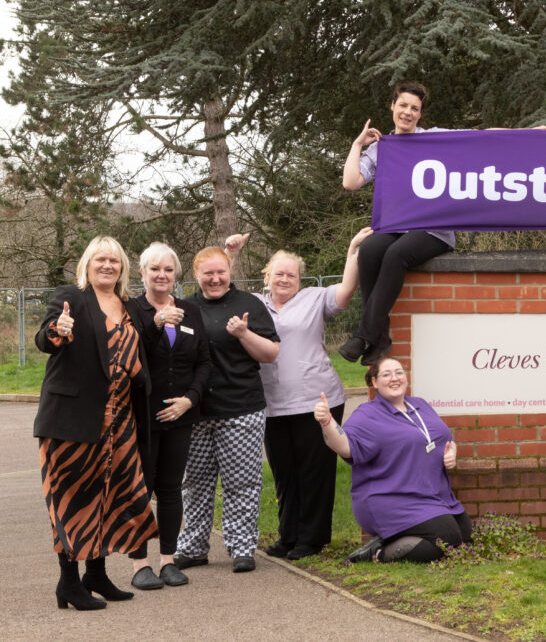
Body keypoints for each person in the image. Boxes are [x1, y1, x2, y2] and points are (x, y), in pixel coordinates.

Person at [339, 81, 546, 366]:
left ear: (420, 113)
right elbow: (351, 182)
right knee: (368, 251)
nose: (408, 112)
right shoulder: (383, 148)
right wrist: (357, 144)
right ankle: (380, 339)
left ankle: (365, 336)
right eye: (402, 105)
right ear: (392, 106)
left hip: (432, 231)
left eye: (414, 108)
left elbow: (482, 136)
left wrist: (530, 134)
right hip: (395, 226)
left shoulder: (434, 138)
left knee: (396, 255)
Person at [224, 228, 372, 561]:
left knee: (315, 471)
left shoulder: (315, 298)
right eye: (279, 273)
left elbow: (347, 290)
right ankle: (288, 535)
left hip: (317, 399)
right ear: (268, 276)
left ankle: (312, 539)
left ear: (300, 279)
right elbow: (221, 287)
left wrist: (353, 248)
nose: (285, 279)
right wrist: (230, 253)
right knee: (285, 473)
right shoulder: (255, 303)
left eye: (292, 275)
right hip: (273, 403)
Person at [34, 235, 157, 610]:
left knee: (110, 497)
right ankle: (68, 584)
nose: (107, 265)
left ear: (122, 268)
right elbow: (44, 337)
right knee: (72, 500)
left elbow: (144, 350)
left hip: (119, 421)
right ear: (87, 264)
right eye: (100, 259)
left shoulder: (130, 306)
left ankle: (96, 575)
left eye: (114, 261)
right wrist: (60, 331)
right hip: (72, 421)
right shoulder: (71, 296)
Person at [174, 246, 280, 574]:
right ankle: (192, 547)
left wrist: (243, 333)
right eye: (208, 273)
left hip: (240, 409)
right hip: (194, 411)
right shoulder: (183, 308)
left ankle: (242, 547)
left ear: (230, 271)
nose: (216, 278)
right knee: (195, 482)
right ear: (196, 275)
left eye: (221, 272)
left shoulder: (249, 305)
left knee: (242, 482)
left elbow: (271, 354)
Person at [314, 357, 469, 564]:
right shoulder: (368, 414)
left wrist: (452, 452)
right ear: (375, 382)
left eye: (399, 372)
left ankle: (393, 538)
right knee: (447, 538)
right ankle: (379, 553)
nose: (394, 378)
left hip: (430, 495)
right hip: (390, 497)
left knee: (464, 535)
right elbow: (344, 446)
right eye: (386, 375)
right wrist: (327, 422)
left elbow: (443, 437)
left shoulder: (420, 405)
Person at [127, 243, 212, 590]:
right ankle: (139, 564)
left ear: (176, 275)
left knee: (172, 488)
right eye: (155, 269)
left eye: (168, 270)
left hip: (180, 415)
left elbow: (204, 362)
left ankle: (168, 561)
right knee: (141, 489)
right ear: (143, 273)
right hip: (143, 414)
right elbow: (132, 355)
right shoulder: (132, 309)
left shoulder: (190, 311)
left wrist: (190, 401)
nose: (162, 275)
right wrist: (157, 323)